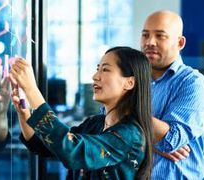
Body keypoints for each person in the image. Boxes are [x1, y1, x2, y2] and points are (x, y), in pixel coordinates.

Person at [9, 47, 154, 179]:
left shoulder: (130, 134)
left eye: (105, 70)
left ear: (129, 83)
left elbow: (71, 150)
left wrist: (32, 90)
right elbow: (47, 145)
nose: (95, 76)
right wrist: (23, 112)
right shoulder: (95, 123)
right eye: (98, 69)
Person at [140, 10, 204, 179]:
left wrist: (123, 111)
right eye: (145, 35)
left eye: (160, 36)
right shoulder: (130, 81)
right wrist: (152, 143)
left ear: (180, 43)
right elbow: (105, 126)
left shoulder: (194, 83)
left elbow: (171, 141)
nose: (150, 42)